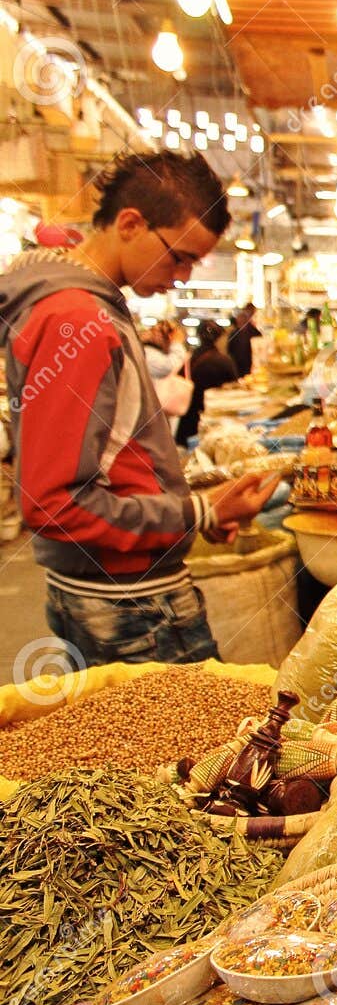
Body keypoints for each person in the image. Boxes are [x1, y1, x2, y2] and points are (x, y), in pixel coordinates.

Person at [0, 150, 278, 669]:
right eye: (179, 257)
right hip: (127, 603)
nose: (183, 276)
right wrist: (196, 511)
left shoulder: (90, 306)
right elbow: (56, 504)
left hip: (124, 589)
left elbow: (110, 463)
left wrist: (192, 512)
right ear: (130, 223)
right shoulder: (75, 319)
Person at [174, 318, 239, 445]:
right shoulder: (224, 360)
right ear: (218, 338)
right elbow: (234, 386)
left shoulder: (189, 358)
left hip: (189, 420)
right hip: (215, 419)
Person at [226, 301, 260, 377]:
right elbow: (230, 351)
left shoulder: (255, 331)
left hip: (249, 366)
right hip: (239, 366)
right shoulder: (235, 332)